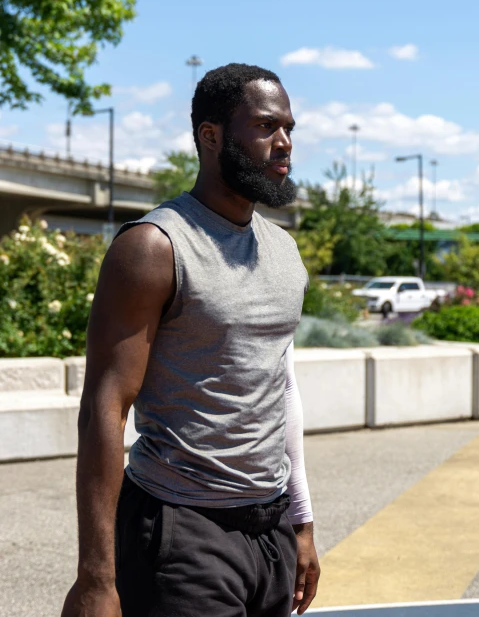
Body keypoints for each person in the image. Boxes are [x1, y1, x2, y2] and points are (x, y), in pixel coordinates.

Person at [61, 63, 320, 617]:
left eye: (290, 129)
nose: (284, 144)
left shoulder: (283, 251)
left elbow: (282, 388)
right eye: (266, 127)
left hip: (269, 527)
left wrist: (300, 520)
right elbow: (104, 407)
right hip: (180, 530)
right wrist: (95, 578)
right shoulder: (154, 247)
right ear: (211, 136)